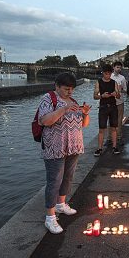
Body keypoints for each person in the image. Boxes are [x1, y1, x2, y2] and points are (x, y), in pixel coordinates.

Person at [38, 72, 90, 234]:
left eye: (72, 89)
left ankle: (61, 204)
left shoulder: (73, 101)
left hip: (73, 146)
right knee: (54, 180)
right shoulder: (49, 99)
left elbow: (84, 125)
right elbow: (44, 121)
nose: (70, 92)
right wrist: (64, 109)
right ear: (57, 86)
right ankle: (50, 217)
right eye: (66, 89)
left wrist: (86, 113)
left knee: (68, 176)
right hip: (55, 146)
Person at [93, 64, 121, 156]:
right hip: (103, 107)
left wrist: (115, 94)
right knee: (101, 129)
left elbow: (118, 95)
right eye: (106, 73)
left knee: (114, 128)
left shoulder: (114, 82)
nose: (107, 75)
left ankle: (114, 147)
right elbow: (95, 96)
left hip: (113, 107)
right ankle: (99, 148)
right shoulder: (98, 82)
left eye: (109, 73)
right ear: (103, 73)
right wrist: (102, 96)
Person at [111, 61, 128, 146]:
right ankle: (110, 138)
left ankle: (118, 137)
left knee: (119, 120)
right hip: (110, 101)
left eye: (120, 67)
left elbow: (126, 90)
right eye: (117, 67)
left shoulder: (122, 78)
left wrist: (121, 89)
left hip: (120, 101)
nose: (119, 69)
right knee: (110, 120)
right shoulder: (109, 77)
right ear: (113, 67)